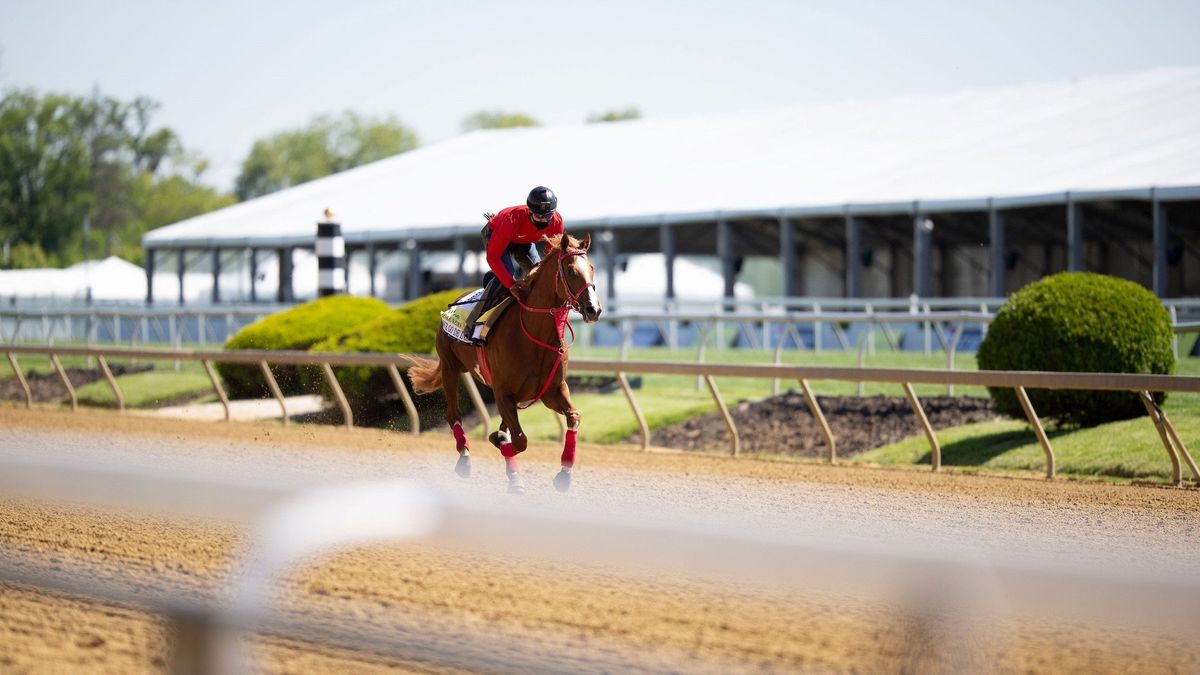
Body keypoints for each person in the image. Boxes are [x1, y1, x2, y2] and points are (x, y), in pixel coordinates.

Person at [463, 186, 564, 343]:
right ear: (530, 212)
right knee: (506, 281)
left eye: (548, 216)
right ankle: (472, 325)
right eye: (539, 216)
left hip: (522, 240)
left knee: (539, 274)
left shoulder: (557, 221)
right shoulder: (511, 219)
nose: (544, 220)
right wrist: (510, 284)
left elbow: (550, 258)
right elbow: (493, 257)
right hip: (497, 234)